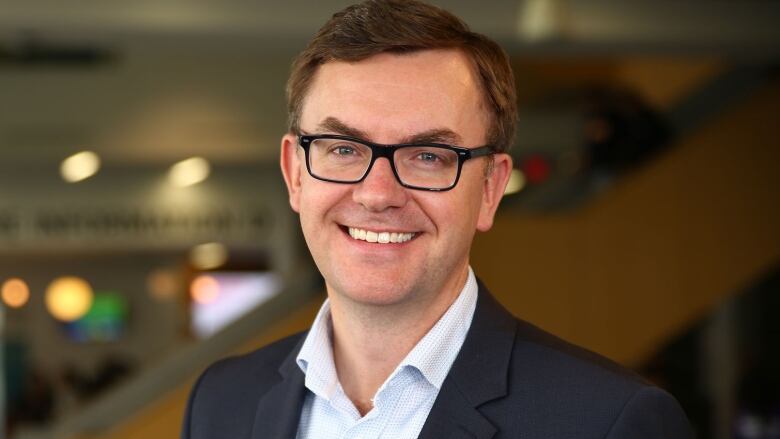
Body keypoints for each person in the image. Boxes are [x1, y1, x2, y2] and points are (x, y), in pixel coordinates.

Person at [182, 1, 694, 438]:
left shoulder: (606, 422)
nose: (377, 193)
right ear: (296, 173)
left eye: (428, 156)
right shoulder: (221, 403)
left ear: (490, 188)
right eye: (342, 148)